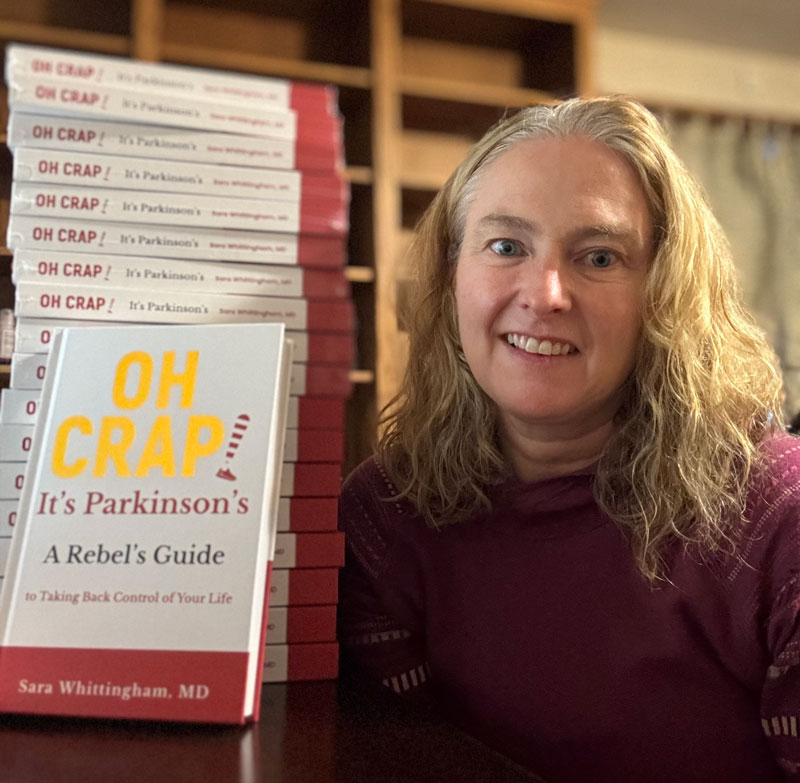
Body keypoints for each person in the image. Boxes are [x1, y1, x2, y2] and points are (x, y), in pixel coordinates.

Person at [337, 95, 800, 782]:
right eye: (506, 247)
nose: (546, 292)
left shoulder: (779, 520)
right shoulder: (385, 514)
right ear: (450, 274)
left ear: (666, 294)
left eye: (600, 257)